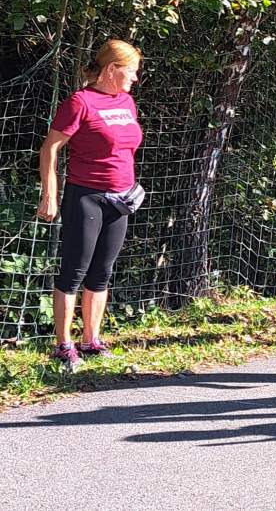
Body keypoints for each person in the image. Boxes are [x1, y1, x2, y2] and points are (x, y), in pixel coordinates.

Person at [37, 39, 144, 372]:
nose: (135, 79)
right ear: (112, 69)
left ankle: (91, 341)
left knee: (102, 273)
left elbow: (126, 149)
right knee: (74, 271)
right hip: (86, 195)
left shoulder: (127, 102)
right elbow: (50, 148)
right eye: (132, 71)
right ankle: (63, 346)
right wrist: (50, 194)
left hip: (121, 198)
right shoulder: (80, 102)